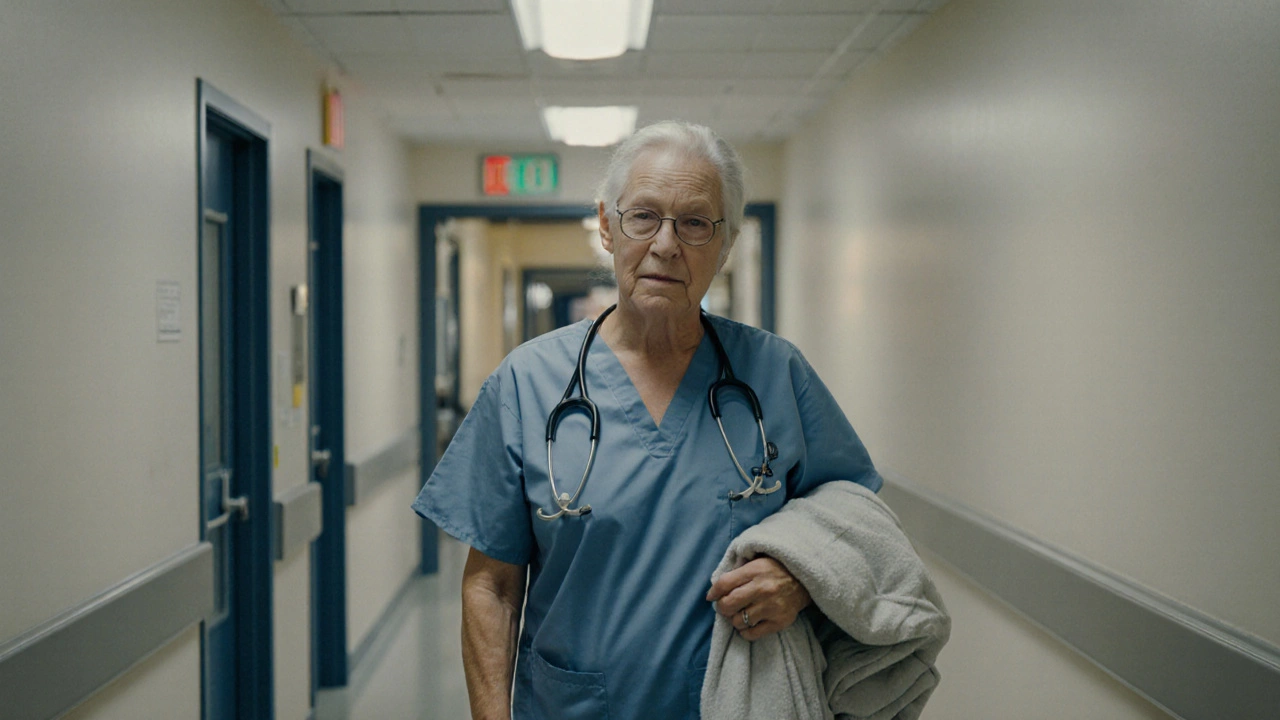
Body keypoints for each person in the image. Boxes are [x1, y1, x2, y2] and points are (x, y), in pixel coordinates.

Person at [412, 121, 882, 720]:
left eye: (694, 223)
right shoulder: (527, 384)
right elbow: (491, 585)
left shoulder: (776, 375)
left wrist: (804, 577)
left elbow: (854, 523)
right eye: (643, 217)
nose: (666, 245)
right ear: (607, 227)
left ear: (727, 242)